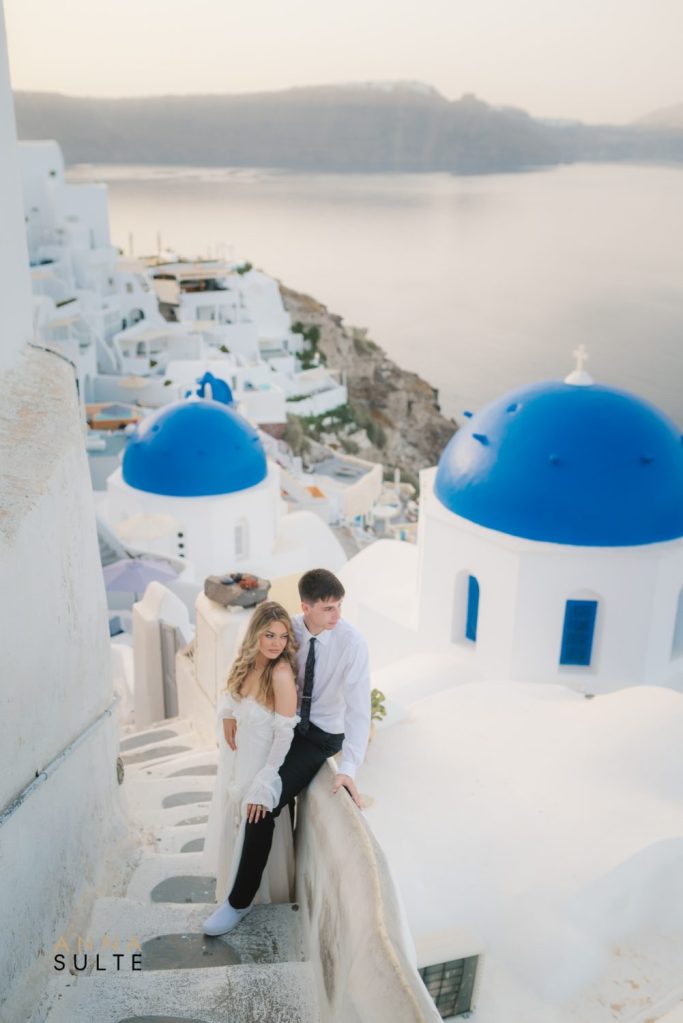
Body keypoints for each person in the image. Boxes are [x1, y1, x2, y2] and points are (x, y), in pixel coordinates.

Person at [203, 567, 371, 936]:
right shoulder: (286, 629)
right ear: (306, 607)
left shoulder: (352, 644)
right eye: (328, 608)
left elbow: (360, 711)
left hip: (319, 737)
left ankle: (238, 903)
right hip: (284, 723)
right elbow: (250, 662)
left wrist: (349, 768)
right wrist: (230, 711)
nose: (336, 616)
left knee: (265, 800)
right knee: (255, 789)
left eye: (339, 606)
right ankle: (261, 886)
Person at [202, 601, 299, 933]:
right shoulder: (247, 666)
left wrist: (266, 781)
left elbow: (284, 736)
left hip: (260, 769)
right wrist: (229, 713)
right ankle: (234, 893)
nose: (276, 643)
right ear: (255, 633)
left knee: (254, 820)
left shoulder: (280, 674)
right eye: (269, 634)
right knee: (235, 821)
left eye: (283, 637)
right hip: (237, 766)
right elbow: (231, 696)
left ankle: (243, 903)